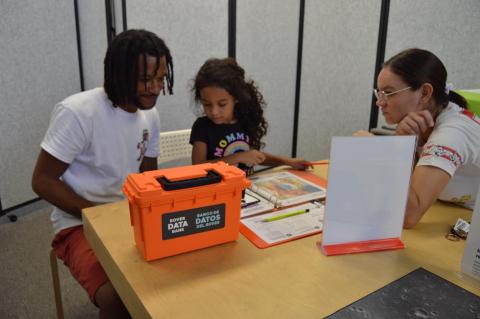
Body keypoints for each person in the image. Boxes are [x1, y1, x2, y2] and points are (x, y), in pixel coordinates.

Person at [31, 29, 174, 318]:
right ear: (119, 73)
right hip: (77, 224)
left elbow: (148, 177)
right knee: (118, 294)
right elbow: (42, 181)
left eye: (160, 78)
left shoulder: (150, 115)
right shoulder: (78, 112)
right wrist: (99, 217)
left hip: (128, 216)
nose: (156, 88)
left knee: (180, 269)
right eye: (146, 79)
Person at [360, 48, 480, 228]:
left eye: (389, 93)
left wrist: (382, 152)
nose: (380, 102)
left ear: (424, 93)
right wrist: (399, 143)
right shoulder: (420, 122)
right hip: (452, 214)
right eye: (379, 93)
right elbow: (404, 191)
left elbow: (408, 216)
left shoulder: (452, 134)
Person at [189, 57, 309, 174]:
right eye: (207, 104)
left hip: (247, 188)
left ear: (236, 98)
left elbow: (254, 156)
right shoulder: (202, 127)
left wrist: (288, 161)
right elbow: (198, 167)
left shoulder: (245, 120)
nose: (214, 111)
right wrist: (238, 157)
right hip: (218, 191)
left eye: (222, 104)